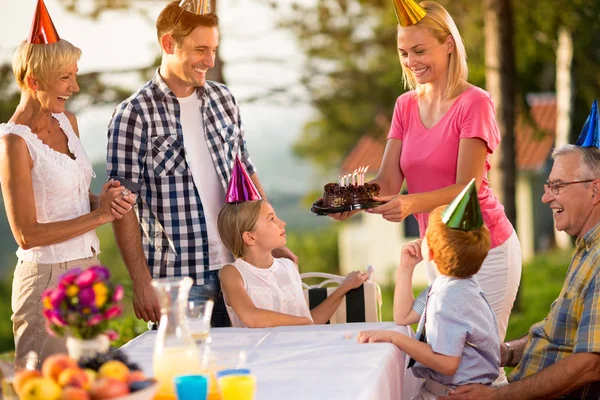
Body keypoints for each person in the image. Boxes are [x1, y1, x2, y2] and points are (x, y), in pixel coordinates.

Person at [334, 0, 521, 347]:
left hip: (485, 248)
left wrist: (409, 203)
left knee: (480, 357)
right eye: (404, 53)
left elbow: (468, 186)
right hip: (437, 250)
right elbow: (388, 182)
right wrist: (351, 201)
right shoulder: (405, 105)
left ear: (448, 44)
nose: (411, 62)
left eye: (420, 50)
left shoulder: (474, 102)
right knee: (446, 353)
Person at [106, 0, 296, 328]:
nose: (209, 61)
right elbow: (122, 208)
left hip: (241, 269)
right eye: (200, 49)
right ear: (168, 43)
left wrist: (271, 239)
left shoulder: (224, 100)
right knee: (190, 374)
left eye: (214, 49)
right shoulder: (134, 115)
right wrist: (140, 280)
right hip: (180, 283)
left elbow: (247, 172)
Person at [0, 0, 135, 364]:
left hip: (87, 270)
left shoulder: (66, 122)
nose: (74, 87)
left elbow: (71, 196)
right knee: (52, 384)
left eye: (74, 75)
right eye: (65, 77)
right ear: (33, 80)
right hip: (47, 279)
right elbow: (27, 234)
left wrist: (104, 201)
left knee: (92, 381)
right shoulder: (14, 143)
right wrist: (101, 216)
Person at [445, 112, 600, 399]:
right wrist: (503, 351)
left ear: (595, 191)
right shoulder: (586, 248)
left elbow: (590, 364)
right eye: (548, 186)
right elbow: (556, 336)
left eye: (558, 186)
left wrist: (496, 396)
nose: (546, 198)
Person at [359, 180, 500, 399]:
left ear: (431, 251)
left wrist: (396, 339)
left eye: (426, 236)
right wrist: (406, 268)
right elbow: (403, 316)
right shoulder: (450, 285)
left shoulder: (450, 298)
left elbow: (446, 363)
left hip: (455, 393)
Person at [217, 199, 369, 328]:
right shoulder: (232, 273)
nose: (282, 223)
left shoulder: (289, 267)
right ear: (250, 238)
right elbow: (251, 317)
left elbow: (311, 321)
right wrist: (303, 322)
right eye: (271, 219)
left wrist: (344, 287)